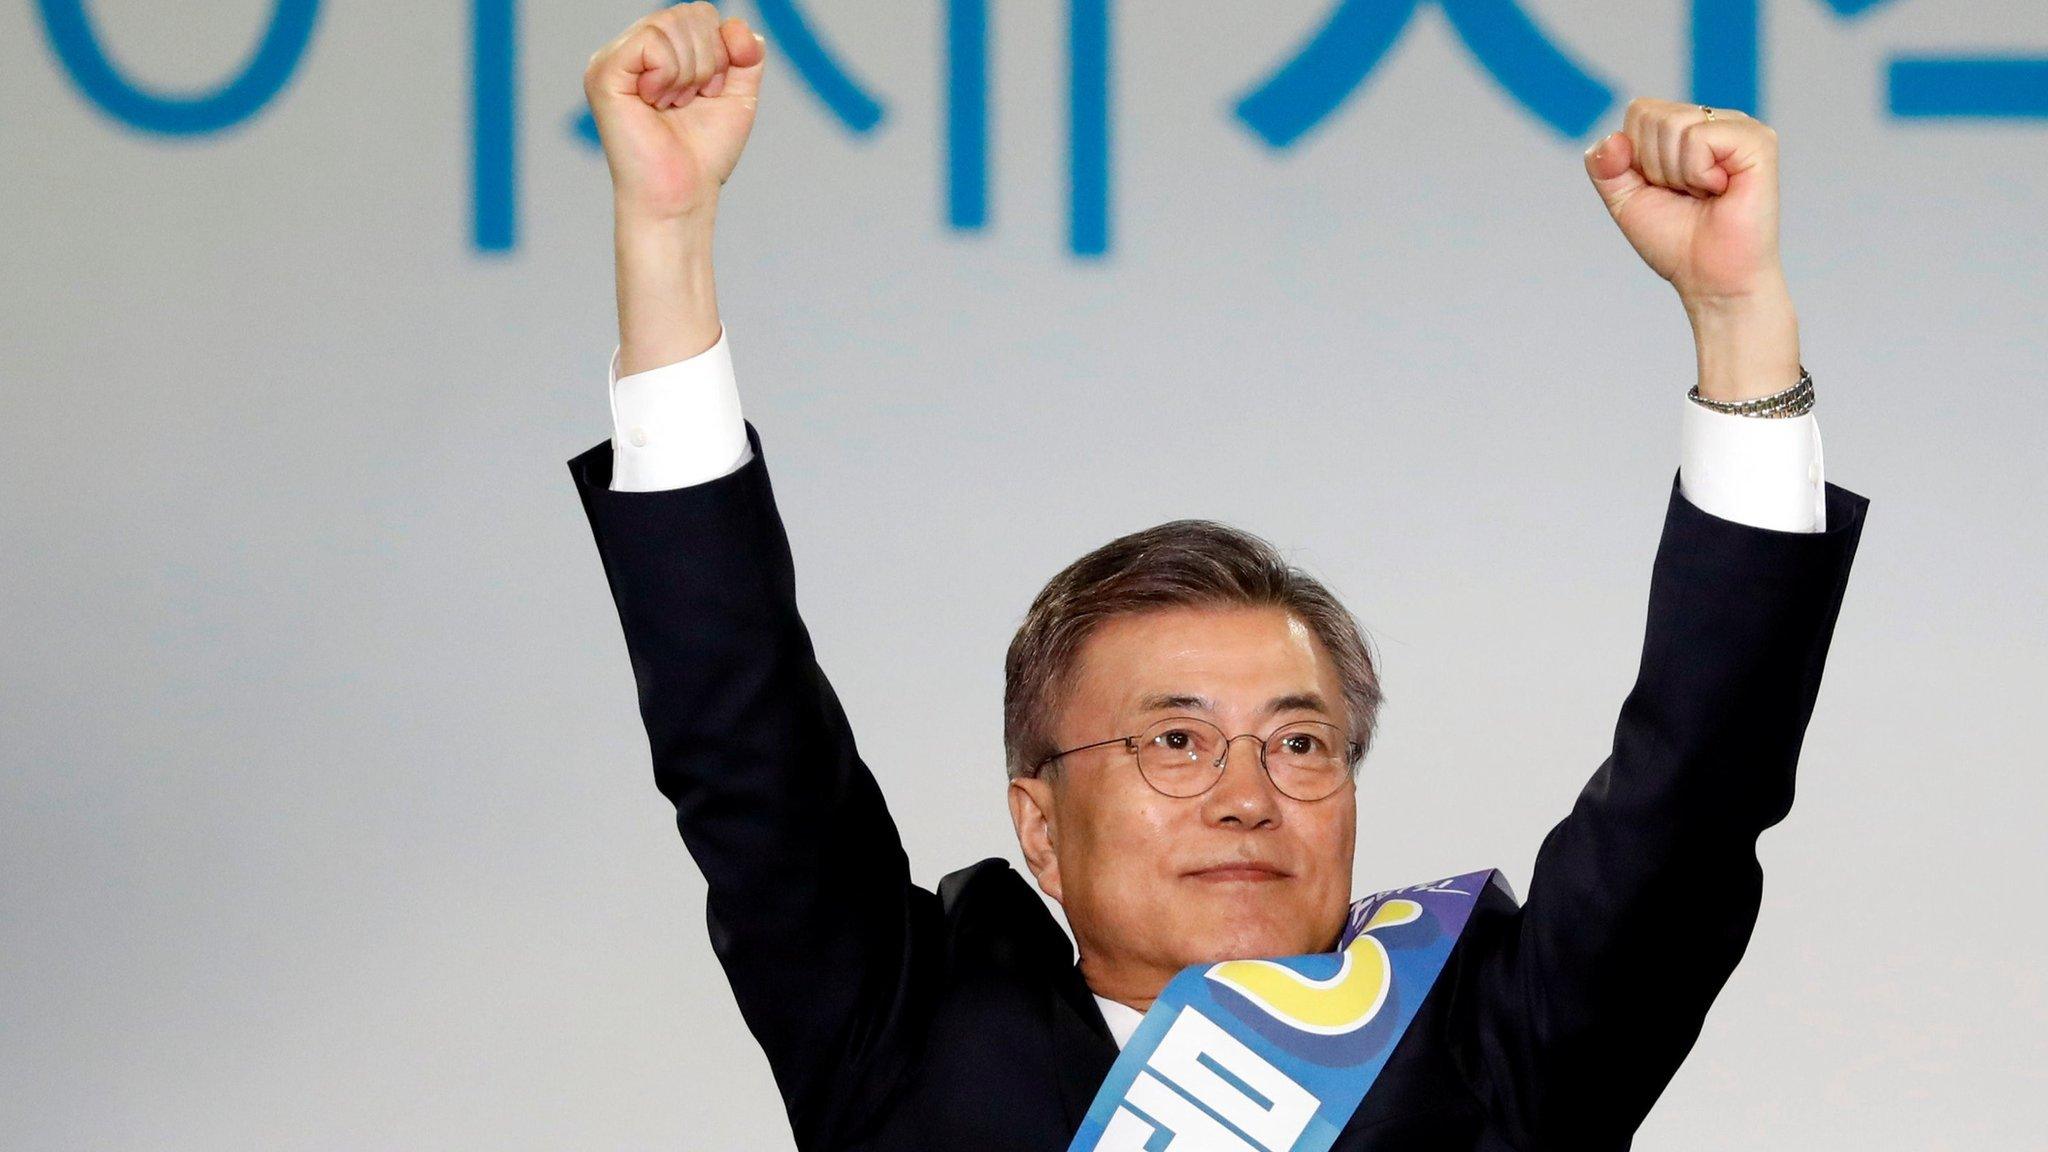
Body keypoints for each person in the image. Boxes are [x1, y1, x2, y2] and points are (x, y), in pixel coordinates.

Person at [567, 5, 1868, 1148]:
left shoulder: (1489, 1032)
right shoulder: (908, 1022)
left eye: (1301, 744)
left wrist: (1740, 326)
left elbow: (1701, 783)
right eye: (1176, 740)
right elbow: (736, 723)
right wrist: (667, 233)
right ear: (1039, 827)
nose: (1248, 798)